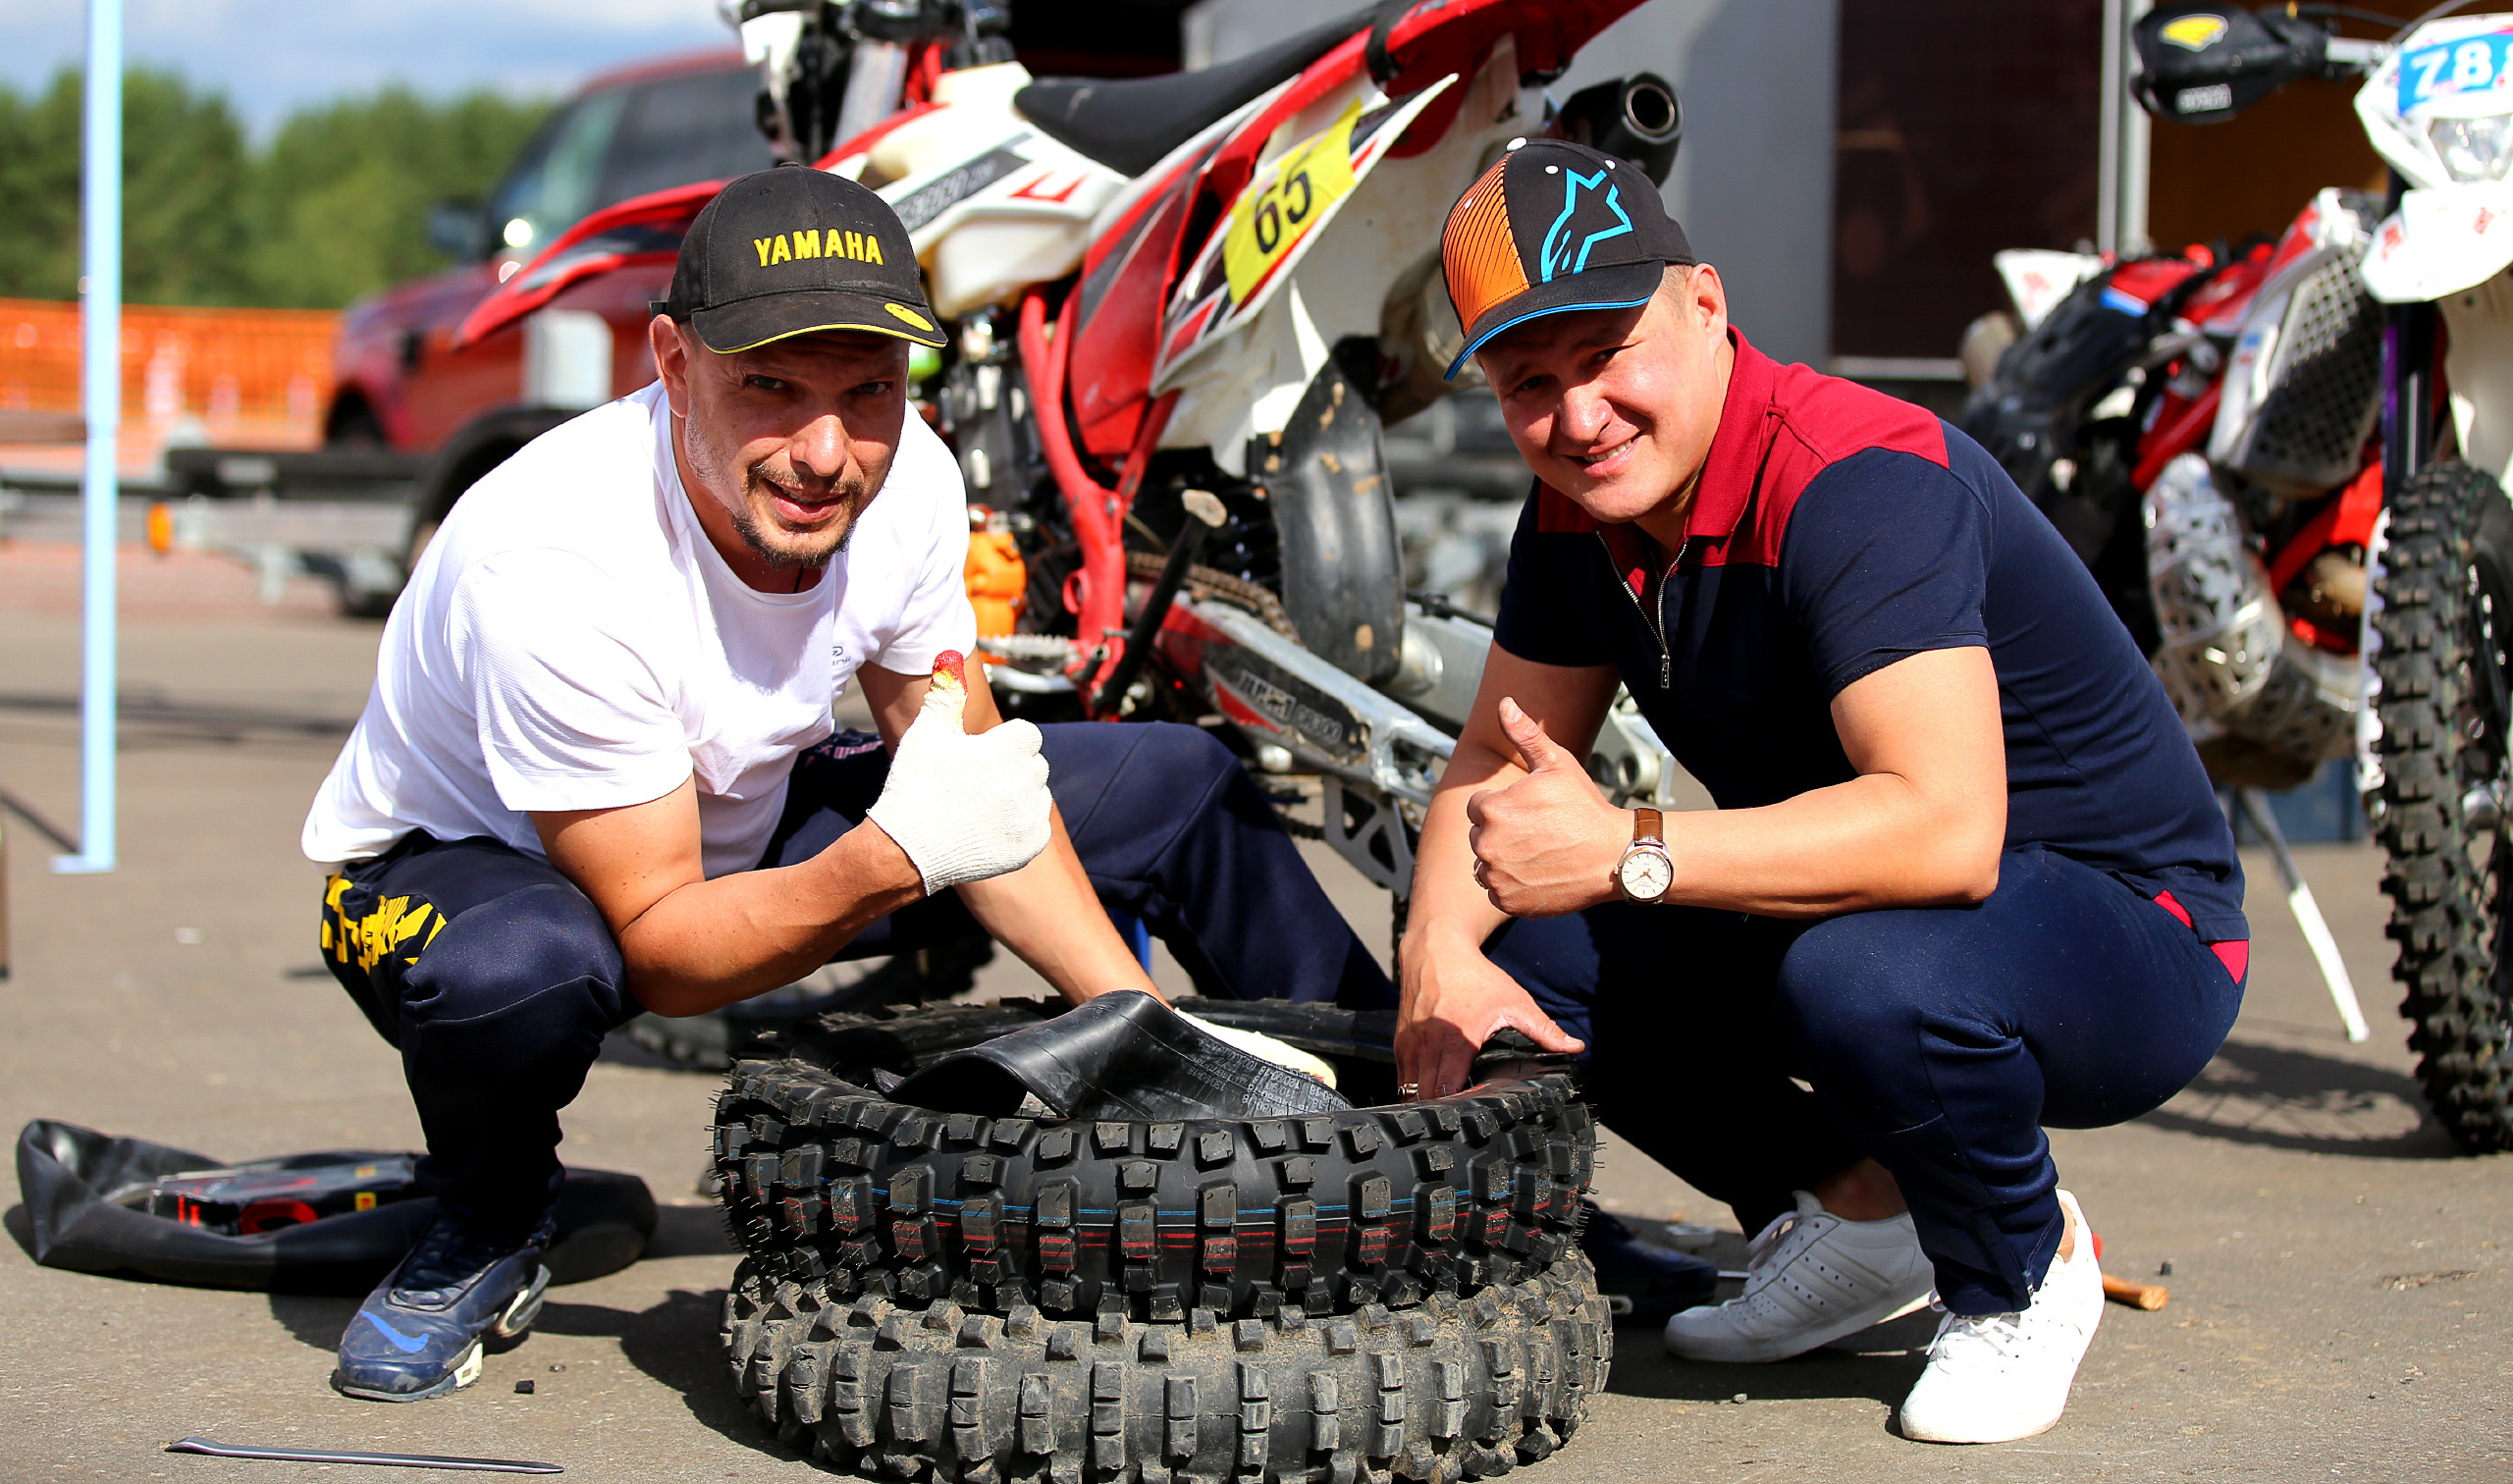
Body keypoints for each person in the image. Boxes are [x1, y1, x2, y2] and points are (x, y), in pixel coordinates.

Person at [302, 165, 1394, 1403]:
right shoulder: (553, 566)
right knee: (525, 976)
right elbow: (657, 952)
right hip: (478, 881)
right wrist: (892, 855)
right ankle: (489, 1220)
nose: (825, 454)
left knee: (1179, 781)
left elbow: (975, 785)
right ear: (670, 360)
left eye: (868, 392)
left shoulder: (908, 478)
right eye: (770, 386)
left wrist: (1134, 1033)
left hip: (736, 814)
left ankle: (1391, 1136)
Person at [1393, 140, 2246, 1445]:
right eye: (1529, 383)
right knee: (1523, 934)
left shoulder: (1854, 480)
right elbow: (1492, 771)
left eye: (1609, 351)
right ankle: (1863, 1210)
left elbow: (1946, 832)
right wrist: (1440, 951)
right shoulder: (1577, 516)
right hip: (1871, 901)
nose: (1577, 415)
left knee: (1862, 977)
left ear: (1708, 305)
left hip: (2133, 933)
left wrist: (1625, 844)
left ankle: (2018, 1265)